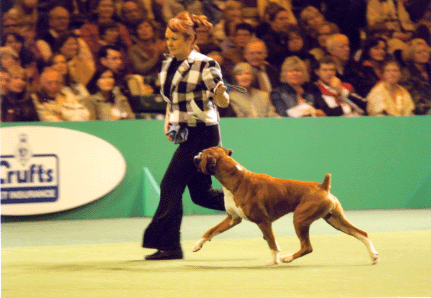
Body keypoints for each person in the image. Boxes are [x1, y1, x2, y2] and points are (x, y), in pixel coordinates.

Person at [143, 12, 229, 261]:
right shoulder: (168, 63)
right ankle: (253, 204)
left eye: (175, 39)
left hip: (203, 134)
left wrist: (222, 93)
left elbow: (222, 101)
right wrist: (169, 119)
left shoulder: (206, 64)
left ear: (191, 38)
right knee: (201, 195)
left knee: (171, 185)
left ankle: (170, 247)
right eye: (168, 38)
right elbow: (172, 100)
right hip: (185, 132)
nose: (170, 43)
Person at [400, 38, 431, 115]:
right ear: (411, 55)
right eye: (419, 52)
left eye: (425, 51)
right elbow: (415, 100)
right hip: (420, 112)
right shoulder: (405, 73)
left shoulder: (429, 68)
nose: (423, 54)